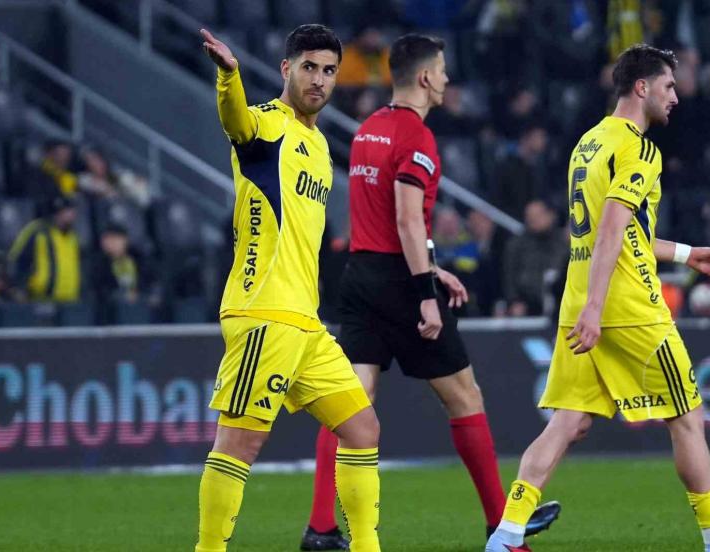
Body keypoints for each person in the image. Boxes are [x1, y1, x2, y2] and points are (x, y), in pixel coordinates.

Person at [486, 44, 710, 552]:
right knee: (687, 417)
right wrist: (598, 307)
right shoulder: (640, 149)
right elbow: (611, 228)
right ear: (642, 87)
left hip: (581, 296)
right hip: (627, 305)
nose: (675, 96)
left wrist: (686, 253)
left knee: (567, 422)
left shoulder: (588, 143)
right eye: (669, 86)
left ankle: (506, 536)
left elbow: (623, 233)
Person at [301, 34, 560, 552]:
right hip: (402, 283)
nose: (445, 79)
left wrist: (434, 268)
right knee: (465, 397)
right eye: (441, 70)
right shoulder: (416, 137)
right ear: (424, 77)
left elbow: (383, 221)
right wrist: (425, 289)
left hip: (361, 276)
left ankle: (321, 528)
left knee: (347, 405)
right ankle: (502, 528)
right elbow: (405, 218)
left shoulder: (368, 130)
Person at [198, 25, 381, 552]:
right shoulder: (265, 125)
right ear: (286, 69)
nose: (319, 80)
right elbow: (235, 121)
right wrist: (229, 78)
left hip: (306, 322)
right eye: (309, 67)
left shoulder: (319, 145)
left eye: (329, 71)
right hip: (264, 312)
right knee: (240, 442)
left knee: (362, 429)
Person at [8, 195, 80, 304]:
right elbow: (18, 259)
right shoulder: (38, 231)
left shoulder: (73, 236)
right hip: (39, 299)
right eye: (68, 210)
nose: (72, 214)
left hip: (70, 300)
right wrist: (18, 288)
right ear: (58, 211)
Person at [502, 199, 567, 317]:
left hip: (560, 300)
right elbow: (509, 276)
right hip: (526, 303)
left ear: (551, 215)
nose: (533, 220)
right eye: (529, 216)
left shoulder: (564, 242)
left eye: (538, 215)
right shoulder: (517, 245)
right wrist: (513, 301)